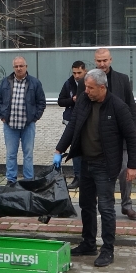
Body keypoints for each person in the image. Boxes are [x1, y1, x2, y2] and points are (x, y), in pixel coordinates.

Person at [54, 69, 136, 268]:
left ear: (102, 88)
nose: (86, 91)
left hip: (106, 165)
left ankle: (108, 250)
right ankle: (88, 243)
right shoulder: (83, 101)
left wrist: (132, 166)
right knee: (86, 204)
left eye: (90, 88)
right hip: (86, 162)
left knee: (106, 208)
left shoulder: (118, 107)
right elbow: (73, 125)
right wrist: (59, 149)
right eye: (86, 87)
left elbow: (131, 137)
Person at [85, 48, 136, 220]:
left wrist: (133, 127)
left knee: (125, 172)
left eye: (105, 60)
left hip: (121, 136)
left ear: (111, 60)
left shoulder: (122, 79)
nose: (102, 64)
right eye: (99, 61)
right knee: (101, 174)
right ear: (94, 61)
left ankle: (126, 205)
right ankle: (101, 205)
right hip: (99, 137)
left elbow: (130, 104)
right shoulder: (89, 80)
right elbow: (84, 106)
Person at [0, 56, 46, 187]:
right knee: (11, 154)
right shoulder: (5, 82)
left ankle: (28, 180)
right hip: (10, 125)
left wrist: (35, 117)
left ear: (26, 67)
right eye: (16, 66)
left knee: (28, 155)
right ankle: (11, 180)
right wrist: (1, 115)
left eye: (21, 66)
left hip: (28, 125)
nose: (18, 68)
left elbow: (41, 102)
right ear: (13, 68)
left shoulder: (35, 83)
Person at [58, 61, 87, 189]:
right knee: (75, 149)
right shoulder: (68, 83)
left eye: (79, 73)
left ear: (85, 71)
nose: (76, 76)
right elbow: (60, 101)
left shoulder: (90, 81)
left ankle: (88, 177)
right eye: (74, 73)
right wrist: (72, 100)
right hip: (72, 120)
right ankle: (78, 177)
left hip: (87, 120)